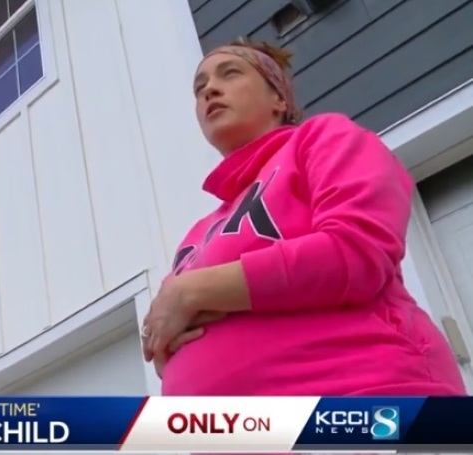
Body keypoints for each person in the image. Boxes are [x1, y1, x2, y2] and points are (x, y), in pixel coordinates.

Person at [141, 39, 467, 397]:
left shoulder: (321, 139)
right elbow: (162, 332)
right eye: (199, 88)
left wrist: (194, 291)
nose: (210, 90)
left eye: (229, 74)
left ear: (279, 99)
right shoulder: (199, 232)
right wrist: (164, 341)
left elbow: (357, 251)